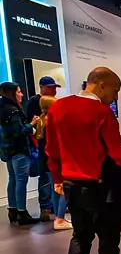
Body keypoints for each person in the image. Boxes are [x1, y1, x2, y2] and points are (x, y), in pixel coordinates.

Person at [46, 67, 121, 254]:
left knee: (80, 236)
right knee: (108, 239)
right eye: (115, 90)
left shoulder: (58, 108)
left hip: (72, 185)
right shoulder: (102, 113)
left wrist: (57, 178)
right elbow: (119, 155)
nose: (116, 97)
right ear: (102, 85)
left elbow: (51, 150)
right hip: (101, 187)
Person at [0, 82, 39, 225]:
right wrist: (32, 124)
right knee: (21, 181)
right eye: (18, 91)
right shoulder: (13, 111)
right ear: (11, 93)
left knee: (13, 179)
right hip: (18, 150)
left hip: (7, 151)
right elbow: (19, 132)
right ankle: (22, 213)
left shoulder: (2, 109)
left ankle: (13, 210)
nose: (21, 94)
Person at [26, 77, 61, 221]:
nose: (54, 90)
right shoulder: (34, 102)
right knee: (46, 179)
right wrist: (36, 143)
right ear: (42, 87)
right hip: (43, 149)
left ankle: (54, 206)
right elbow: (31, 125)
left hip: (47, 149)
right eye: (51, 87)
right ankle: (46, 208)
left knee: (52, 179)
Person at [36, 96, 71, 230]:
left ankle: (58, 215)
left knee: (55, 188)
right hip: (55, 161)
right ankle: (60, 218)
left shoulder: (40, 121)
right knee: (63, 189)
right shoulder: (52, 121)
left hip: (45, 161)